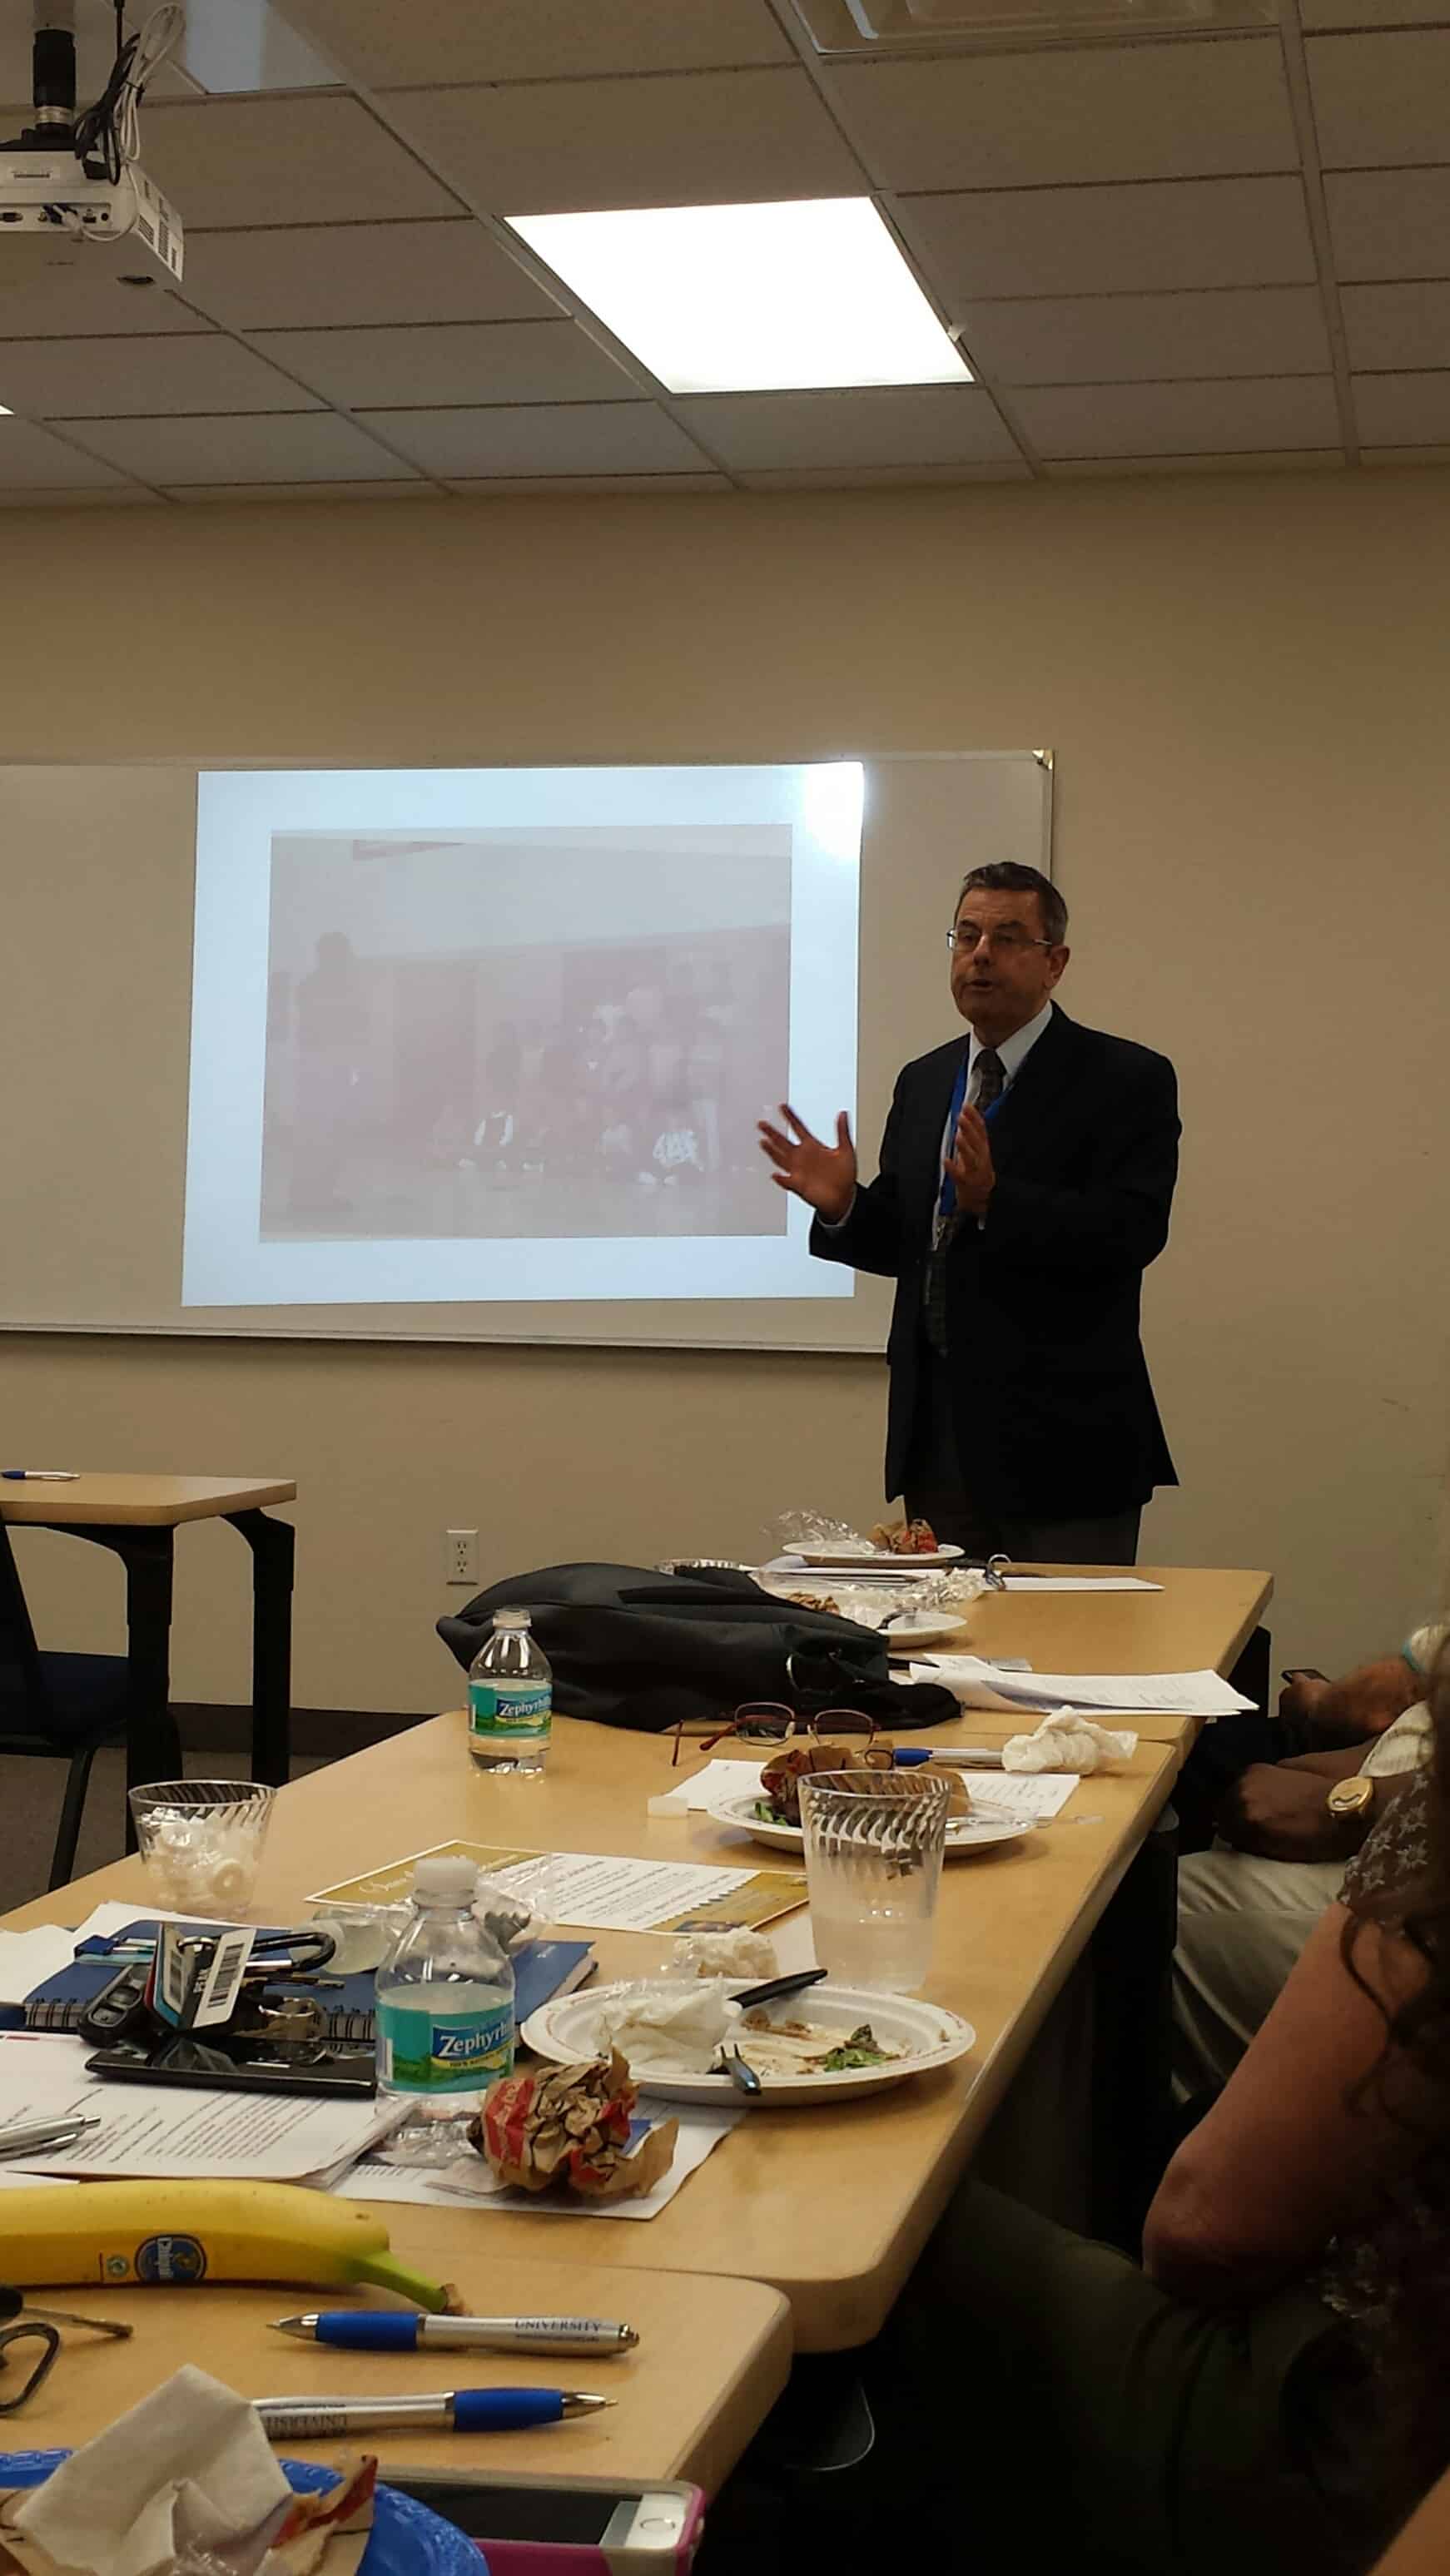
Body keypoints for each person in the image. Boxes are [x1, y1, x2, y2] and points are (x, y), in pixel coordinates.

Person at [855, 1640, 1450, 2576]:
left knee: (868, 2231)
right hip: (1386, 2378)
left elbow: (1206, 2230)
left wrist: (1374, 1802)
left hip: (1359, 2420)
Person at [758, 861, 1179, 1561]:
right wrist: (844, 1208)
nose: (981, 953)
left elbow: (1132, 1231)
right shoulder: (925, 1081)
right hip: (939, 1440)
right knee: (945, 1660)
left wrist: (996, 1200)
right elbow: (909, 1242)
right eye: (968, 935)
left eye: (1008, 937)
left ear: (1055, 964)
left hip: (1066, 1449)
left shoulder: (1125, 1079)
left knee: (1068, 1661)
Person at [1174, 1621, 1444, 2097]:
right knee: (1195, 1775)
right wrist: (1362, 1764)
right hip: (1411, 1798)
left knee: (1130, 1906)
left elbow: (1394, 1689)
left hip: (1423, 1864)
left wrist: (1357, 1807)